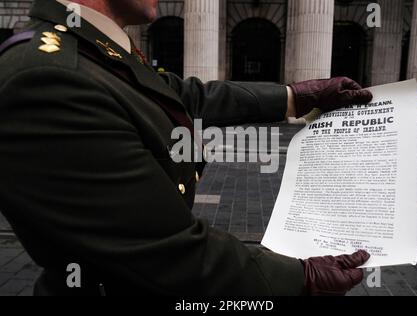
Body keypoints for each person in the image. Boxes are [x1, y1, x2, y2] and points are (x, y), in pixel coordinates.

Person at [0, 0, 373, 296]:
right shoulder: (48, 77)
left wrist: (294, 97)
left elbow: (179, 94)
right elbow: (165, 250)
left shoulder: (91, 48)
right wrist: (300, 278)